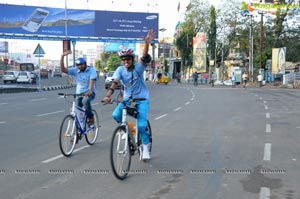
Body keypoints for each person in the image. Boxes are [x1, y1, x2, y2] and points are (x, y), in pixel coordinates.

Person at [102, 29, 156, 161]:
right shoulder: (120, 70)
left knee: (142, 125)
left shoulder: (138, 67)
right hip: (127, 100)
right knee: (116, 115)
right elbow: (115, 83)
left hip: (142, 100)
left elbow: (144, 58)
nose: (126, 61)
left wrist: (147, 44)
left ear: (132, 60)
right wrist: (108, 95)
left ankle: (145, 147)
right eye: (124, 59)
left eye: (128, 59)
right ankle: (130, 129)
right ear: (122, 61)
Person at [60, 53, 98, 126]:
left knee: (85, 101)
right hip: (79, 94)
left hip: (89, 93)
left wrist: (90, 91)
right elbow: (63, 69)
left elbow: (91, 80)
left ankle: (91, 117)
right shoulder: (75, 70)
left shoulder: (91, 70)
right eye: (78, 65)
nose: (79, 66)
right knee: (77, 110)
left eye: (81, 64)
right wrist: (62, 56)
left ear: (85, 64)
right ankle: (78, 130)